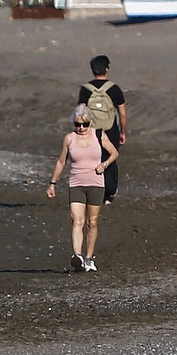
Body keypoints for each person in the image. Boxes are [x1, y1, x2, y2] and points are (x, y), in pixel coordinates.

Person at [47, 105, 119, 273]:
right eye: (77, 124)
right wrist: (52, 183)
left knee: (92, 222)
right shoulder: (69, 138)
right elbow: (61, 162)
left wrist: (104, 164)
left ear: (90, 122)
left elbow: (114, 153)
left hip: (96, 184)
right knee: (77, 220)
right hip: (76, 184)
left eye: (84, 124)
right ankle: (77, 256)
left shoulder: (99, 135)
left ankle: (89, 258)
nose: (81, 127)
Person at [77, 55, 127, 205]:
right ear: (106, 69)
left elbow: (80, 112)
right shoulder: (114, 89)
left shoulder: (85, 89)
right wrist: (123, 132)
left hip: (91, 130)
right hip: (111, 129)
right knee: (110, 158)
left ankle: (94, 191)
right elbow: (122, 114)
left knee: (92, 159)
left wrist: (79, 131)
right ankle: (109, 195)